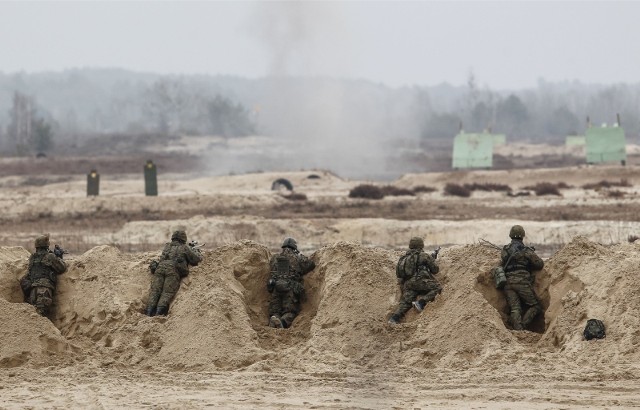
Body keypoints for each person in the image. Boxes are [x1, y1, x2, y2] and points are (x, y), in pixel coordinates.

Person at [145, 230, 202, 316]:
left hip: (159, 269)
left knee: (155, 291)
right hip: (172, 271)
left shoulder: (167, 246)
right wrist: (197, 252)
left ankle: (148, 313)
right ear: (183, 238)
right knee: (167, 293)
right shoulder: (184, 247)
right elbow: (196, 260)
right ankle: (158, 314)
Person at [500, 225, 544, 331]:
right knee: (536, 306)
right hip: (522, 283)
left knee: (515, 309)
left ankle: (518, 330)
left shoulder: (505, 249)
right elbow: (539, 264)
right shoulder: (525, 250)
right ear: (522, 236)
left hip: (507, 283)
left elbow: (503, 261)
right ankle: (523, 325)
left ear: (510, 235)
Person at [388, 237, 441, 324]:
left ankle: (394, 319)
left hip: (407, 284)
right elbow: (435, 270)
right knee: (437, 287)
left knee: (405, 303)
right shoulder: (423, 256)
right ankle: (421, 303)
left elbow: (400, 274)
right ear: (421, 245)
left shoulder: (403, 258)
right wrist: (431, 260)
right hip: (419, 281)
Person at [267, 237, 315, 329]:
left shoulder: (275, 258)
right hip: (290, 289)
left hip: (276, 287)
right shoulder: (297, 258)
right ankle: (282, 322)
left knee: (275, 311)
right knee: (290, 312)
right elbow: (311, 264)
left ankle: (275, 319)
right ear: (294, 248)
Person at [20, 234, 67, 317]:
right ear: (47, 246)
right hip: (44, 289)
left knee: (33, 315)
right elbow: (61, 268)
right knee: (41, 316)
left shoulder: (32, 257)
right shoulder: (50, 256)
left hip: (32, 290)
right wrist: (59, 257)